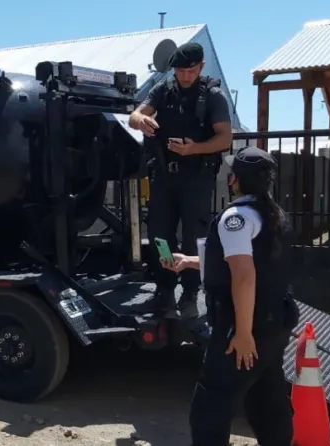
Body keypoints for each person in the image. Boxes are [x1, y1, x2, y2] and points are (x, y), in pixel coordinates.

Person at [160, 146, 300, 446]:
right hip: (277, 318)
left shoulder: (234, 218)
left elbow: (244, 277)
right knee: (268, 398)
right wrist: (189, 261)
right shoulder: (275, 215)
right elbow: (249, 262)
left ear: (235, 179)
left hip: (245, 324)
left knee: (210, 407)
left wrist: (244, 334)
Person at [128, 41, 234, 319]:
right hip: (164, 176)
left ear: (200, 67)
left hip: (196, 178)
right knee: (160, 234)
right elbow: (134, 115)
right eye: (179, 71)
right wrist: (141, 121)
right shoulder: (163, 89)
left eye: (190, 70)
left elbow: (224, 138)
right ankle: (164, 291)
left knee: (193, 237)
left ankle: (189, 293)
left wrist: (194, 149)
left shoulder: (212, 96)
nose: (184, 76)